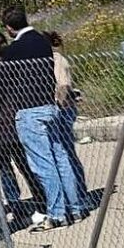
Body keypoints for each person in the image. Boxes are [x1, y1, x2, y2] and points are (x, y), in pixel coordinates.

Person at [0, 7, 88, 230]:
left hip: (29, 111)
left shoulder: (13, 51)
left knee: (43, 164)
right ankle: (75, 207)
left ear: (9, 27)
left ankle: (56, 213)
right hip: (50, 106)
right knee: (61, 158)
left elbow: (4, 83)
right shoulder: (42, 42)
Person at [48, 31, 89, 209]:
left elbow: (63, 85)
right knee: (65, 152)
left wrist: (59, 105)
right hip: (63, 108)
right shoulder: (53, 59)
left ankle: (79, 192)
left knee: (66, 153)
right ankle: (75, 192)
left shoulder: (57, 60)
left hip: (63, 109)